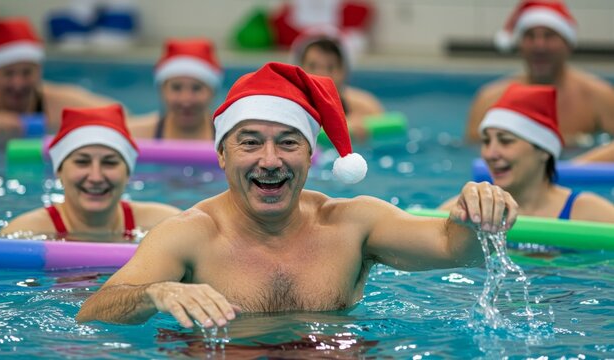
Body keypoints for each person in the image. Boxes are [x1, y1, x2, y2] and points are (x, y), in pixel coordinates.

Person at [76, 62, 518, 326]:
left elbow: (456, 248)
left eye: (288, 142)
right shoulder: (190, 236)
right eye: (250, 142)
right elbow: (92, 312)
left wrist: (477, 213)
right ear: (222, 156)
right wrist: (157, 293)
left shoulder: (351, 223)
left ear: (311, 156)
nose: (270, 160)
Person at [1, 104, 182, 241]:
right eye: (82, 162)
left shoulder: (163, 224)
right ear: (59, 171)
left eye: (109, 163)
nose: (96, 177)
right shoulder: (25, 234)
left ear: (128, 173)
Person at [444, 84, 614, 222]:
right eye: (486, 141)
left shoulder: (587, 213)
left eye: (505, 141)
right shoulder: (469, 209)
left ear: (543, 150)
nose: (490, 154)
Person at [465, 0, 614, 145]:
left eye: (549, 36)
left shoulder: (600, 98)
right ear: (520, 44)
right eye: (530, 36)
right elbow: (473, 158)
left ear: (568, 44)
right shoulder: (490, 100)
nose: (539, 46)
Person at [0, 18, 119, 139]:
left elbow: (120, 117)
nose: (18, 83)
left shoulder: (61, 104)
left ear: (39, 71)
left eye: (27, 73)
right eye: (8, 74)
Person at [291, 27, 383, 140]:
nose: (321, 74)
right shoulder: (290, 107)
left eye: (330, 67)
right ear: (299, 70)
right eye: (313, 66)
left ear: (343, 72)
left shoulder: (365, 107)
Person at [127, 38, 222, 140]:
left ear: (213, 92)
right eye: (176, 88)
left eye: (196, 88)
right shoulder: (136, 134)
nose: (186, 100)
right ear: (162, 90)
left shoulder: (227, 137)